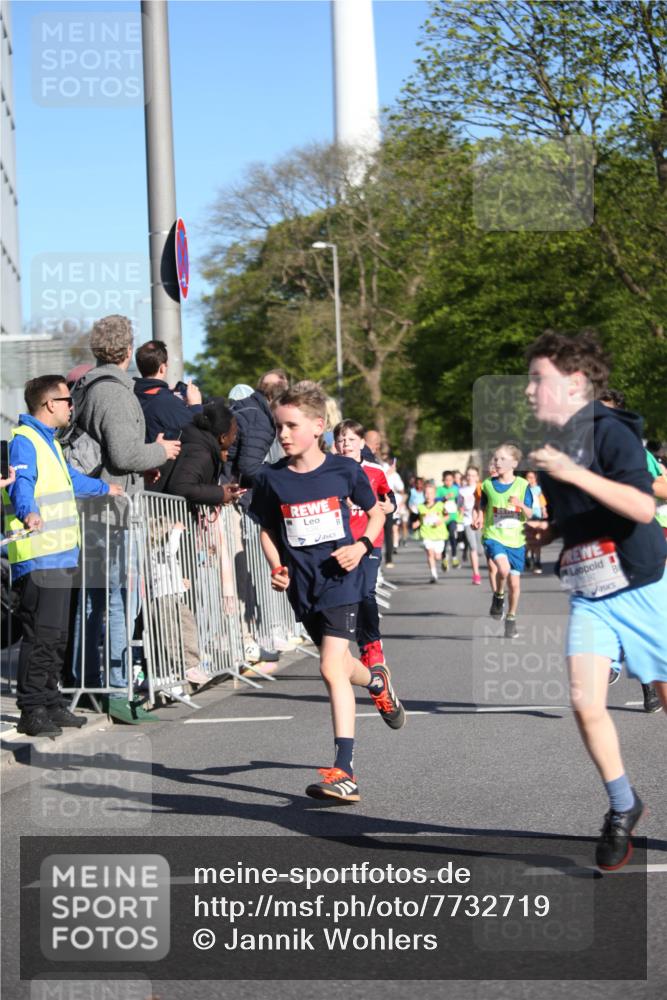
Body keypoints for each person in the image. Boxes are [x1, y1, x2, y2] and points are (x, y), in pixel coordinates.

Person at [524, 330, 667, 870]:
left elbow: (639, 506)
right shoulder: (548, 442)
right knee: (586, 702)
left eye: (540, 380)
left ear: (576, 383)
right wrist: (549, 531)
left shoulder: (611, 433)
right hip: (590, 592)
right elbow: (581, 511)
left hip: (644, 587)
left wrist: (572, 472)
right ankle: (622, 805)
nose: (530, 390)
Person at [250, 383, 405, 804]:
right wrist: (276, 566)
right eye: (278, 426)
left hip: (342, 579)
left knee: (329, 668)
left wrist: (362, 546)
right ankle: (376, 680)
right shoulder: (271, 479)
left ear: (318, 426)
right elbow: (266, 529)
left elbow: (374, 515)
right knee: (342, 666)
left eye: (291, 426)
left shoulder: (344, 471)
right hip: (303, 587)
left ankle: (346, 770)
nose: (282, 434)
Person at [69, 315, 181, 717]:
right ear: (128, 350)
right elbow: (124, 454)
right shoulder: (114, 393)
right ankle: (117, 691)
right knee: (118, 600)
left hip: (98, 506)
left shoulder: (87, 387)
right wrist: (160, 452)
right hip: (113, 511)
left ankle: (87, 682)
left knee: (96, 600)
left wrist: (140, 462)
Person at [1, 375, 122, 737]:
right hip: (40, 555)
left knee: (57, 636)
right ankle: (32, 709)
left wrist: (105, 487)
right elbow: (22, 483)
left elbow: (69, 480)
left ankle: (51, 702)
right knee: (41, 634)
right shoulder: (25, 441)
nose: (72, 406)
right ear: (50, 403)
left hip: (61, 554)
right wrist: (28, 512)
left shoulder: (47, 442)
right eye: (68, 400)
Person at [596, 388, 662, 714]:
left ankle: (647, 685)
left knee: (639, 614)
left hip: (642, 540)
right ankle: (612, 660)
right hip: (601, 546)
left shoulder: (636, 451)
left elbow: (663, 484)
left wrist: (632, 486)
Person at [334, 419, 395, 669]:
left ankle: (372, 645)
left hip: (370, 540)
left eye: (350, 439)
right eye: (341, 440)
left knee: (367, 592)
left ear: (361, 442)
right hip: (342, 542)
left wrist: (390, 506)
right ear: (335, 445)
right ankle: (361, 643)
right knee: (351, 595)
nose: (346, 444)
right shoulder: (329, 470)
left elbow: (388, 496)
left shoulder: (375, 470)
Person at [474, 445, 532, 639]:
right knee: (503, 570)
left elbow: (531, 513)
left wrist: (520, 505)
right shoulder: (488, 485)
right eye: (496, 459)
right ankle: (498, 596)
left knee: (515, 585)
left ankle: (511, 618)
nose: (497, 462)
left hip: (516, 540)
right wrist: (478, 518)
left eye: (502, 459)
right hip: (493, 535)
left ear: (514, 463)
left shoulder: (523, 485)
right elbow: (481, 506)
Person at [161, 399, 240, 506]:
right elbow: (181, 487)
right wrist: (220, 494)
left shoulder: (198, 442)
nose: (235, 439)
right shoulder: (200, 452)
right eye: (234, 434)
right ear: (223, 438)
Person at [134, 340, 203, 443]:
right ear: (162, 368)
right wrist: (196, 406)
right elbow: (198, 436)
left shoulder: (130, 395)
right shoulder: (166, 402)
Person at [417, 482, 448, 583]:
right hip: (427, 534)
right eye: (426, 493)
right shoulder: (420, 507)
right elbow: (419, 519)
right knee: (430, 554)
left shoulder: (440, 505)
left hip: (439, 535)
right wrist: (415, 524)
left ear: (434, 495)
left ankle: (444, 558)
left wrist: (441, 521)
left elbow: (447, 516)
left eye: (430, 493)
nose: (428, 495)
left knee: (437, 557)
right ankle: (434, 575)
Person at [458, 466, 483, 584]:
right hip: (468, 521)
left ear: (477, 477)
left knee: (480, 550)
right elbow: (459, 506)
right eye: (468, 475)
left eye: (473, 475)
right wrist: (461, 506)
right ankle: (476, 574)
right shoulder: (462, 491)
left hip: (481, 521)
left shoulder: (482, 487)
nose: (470, 478)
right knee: (473, 547)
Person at [525, 469, 548, 574]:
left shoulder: (538, 489)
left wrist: (544, 511)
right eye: (528, 477)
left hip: (537, 516)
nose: (529, 479)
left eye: (531, 477)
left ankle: (538, 561)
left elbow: (542, 502)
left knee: (537, 539)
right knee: (528, 540)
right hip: (527, 517)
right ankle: (527, 558)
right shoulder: (524, 489)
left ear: (535, 479)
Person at [436, 471, 461, 570]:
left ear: (453, 480)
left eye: (450, 480)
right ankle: (444, 558)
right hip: (442, 518)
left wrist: (460, 506)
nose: (448, 482)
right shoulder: (440, 489)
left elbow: (460, 500)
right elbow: (435, 500)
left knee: (452, 534)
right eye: (446, 480)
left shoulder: (455, 489)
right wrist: (444, 498)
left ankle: (454, 557)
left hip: (453, 517)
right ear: (443, 480)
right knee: (444, 539)